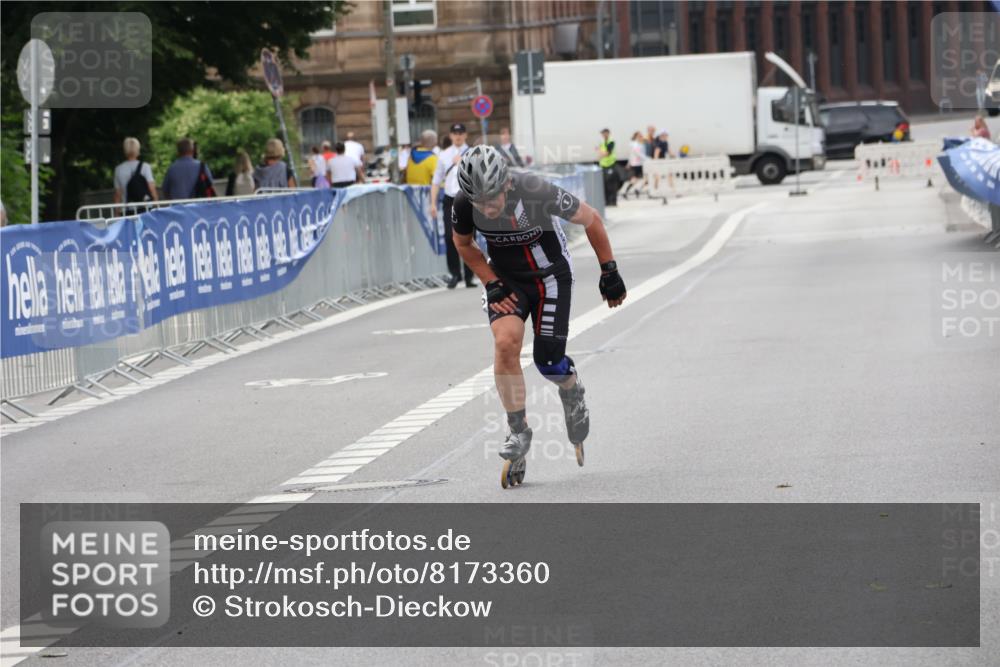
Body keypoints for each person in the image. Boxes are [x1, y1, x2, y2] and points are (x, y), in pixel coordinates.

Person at [451, 145, 627, 488]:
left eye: (491, 199)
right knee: (505, 344)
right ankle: (518, 430)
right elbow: (464, 245)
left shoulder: (535, 190)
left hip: (550, 277)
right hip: (507, 280)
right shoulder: (463, 204)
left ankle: (571, 388)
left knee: (548, 363)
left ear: (506, 185)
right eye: (478, 202)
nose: (486, 208)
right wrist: (490, 283)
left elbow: (590, 218)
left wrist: (609, 271)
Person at [431, 122, 475, 289]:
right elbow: (436, 181)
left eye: (461, 132)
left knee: (470, 237)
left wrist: (462, 162)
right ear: (450, 135)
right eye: (455, 133)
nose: (458, 135)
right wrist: (432, 203)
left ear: (465, 135)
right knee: (451, 237)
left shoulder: (472, 153)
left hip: (468, 198)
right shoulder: (443, 154)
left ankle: (469, 275)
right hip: (450, 199)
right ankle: (455, 274)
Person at [113, 137, 158, 207]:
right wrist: (156, 205)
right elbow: (152, 189)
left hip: (128, 209)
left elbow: (118, 194)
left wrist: (116, 213)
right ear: (138, 149)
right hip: (145, 207)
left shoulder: (119, 169)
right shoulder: (145, 167)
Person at [597, 128, 619, 206]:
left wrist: (600, 152)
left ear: (608, 133)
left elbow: (607, 153)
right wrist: (601, 153)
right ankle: (607, 201)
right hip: (603, 165)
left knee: (611, 184)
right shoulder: (602, 142)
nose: (603, 135)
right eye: (602, 134)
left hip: (611, 164)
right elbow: (600, 154)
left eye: (604, 133)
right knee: (604, 184)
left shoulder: (611, 142)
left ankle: (613, 201)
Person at [624, 131, 646, 198]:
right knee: (637, 179)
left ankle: (634, 190)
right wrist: (647, 159)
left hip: (637, 163)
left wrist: (628, 163)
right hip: (637, 164)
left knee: (637, 179)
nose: (641, 137)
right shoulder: (635, 145)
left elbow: (630, 155)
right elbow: (638, 154)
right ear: (636, 137)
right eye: (640, 136)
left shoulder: (638, 144)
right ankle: (633, 190)